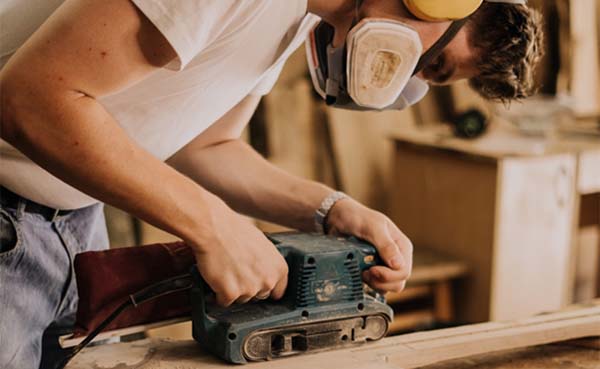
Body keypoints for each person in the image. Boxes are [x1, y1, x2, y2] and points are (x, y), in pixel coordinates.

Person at [0, 0, 543, 368]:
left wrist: (330, 208)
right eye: (433, 63)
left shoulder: (294, 15)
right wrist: (214, 229)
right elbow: (32, 98)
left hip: (67, 224)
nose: (408, 77)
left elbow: (208, 146)